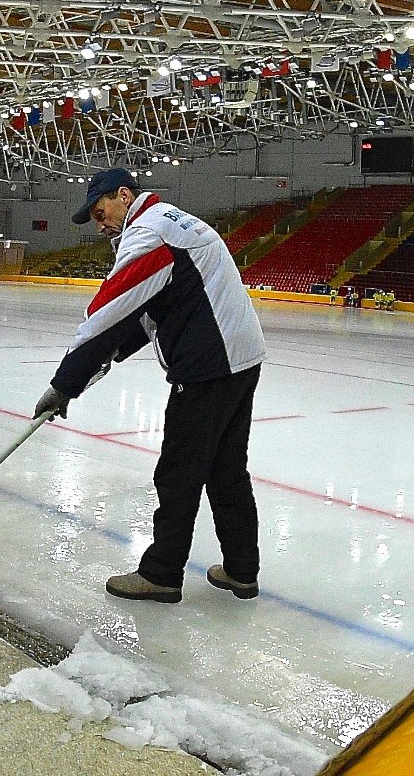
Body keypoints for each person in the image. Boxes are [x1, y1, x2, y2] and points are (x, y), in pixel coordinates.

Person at [34, 168, 267, 604]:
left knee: (180, 472)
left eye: (101, 212)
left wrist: (65, 384)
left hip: (207, 367)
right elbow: (153, 308)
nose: (100, 224)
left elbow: (106, 313)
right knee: (226, 471)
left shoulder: (148, 233)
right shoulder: (175, 220)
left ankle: (161, 574)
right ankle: (241, 570)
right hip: (241, 360)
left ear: (124, 196)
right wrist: (111, 357)